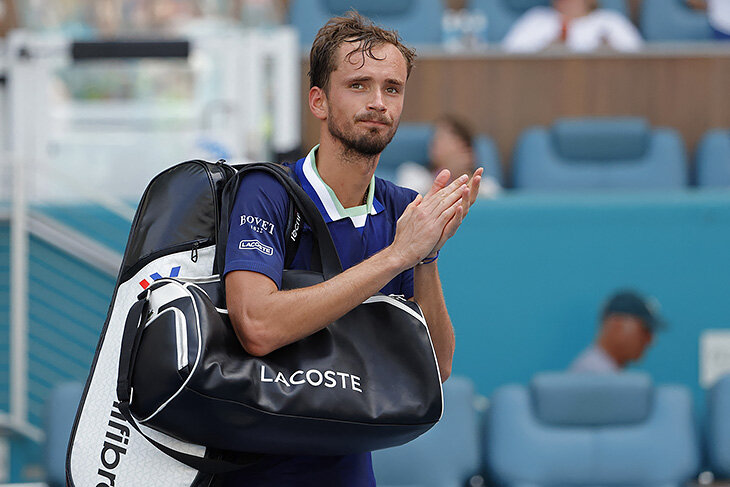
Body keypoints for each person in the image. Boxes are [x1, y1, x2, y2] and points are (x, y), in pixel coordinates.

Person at [218, 11, 482, 486]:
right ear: (318, 101)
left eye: (392, 88)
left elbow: (437, 366)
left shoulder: (404, 209)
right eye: (359, 85)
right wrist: (398, 255)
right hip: (248, 474)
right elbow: (257, 325)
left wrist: (426, 254)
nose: (379, 102)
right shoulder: (266, 191)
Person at [396, 115, 501, 198]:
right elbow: (407, 204)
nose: (435, 142)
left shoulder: (486, 186)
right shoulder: (413, 174)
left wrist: (464, 178)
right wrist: (448, 175)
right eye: (435, 137)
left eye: (443, 138)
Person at [570, 290, 665, 373]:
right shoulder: (592, 374)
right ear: (617, 325)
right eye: (644, 330)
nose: (650, 340)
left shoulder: (605, 372)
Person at [502, 0, 643, 53]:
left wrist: (610, 52)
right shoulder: (536, 19)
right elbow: (507, 59)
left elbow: (642, 60)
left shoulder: (611, 21)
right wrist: (545, 52)